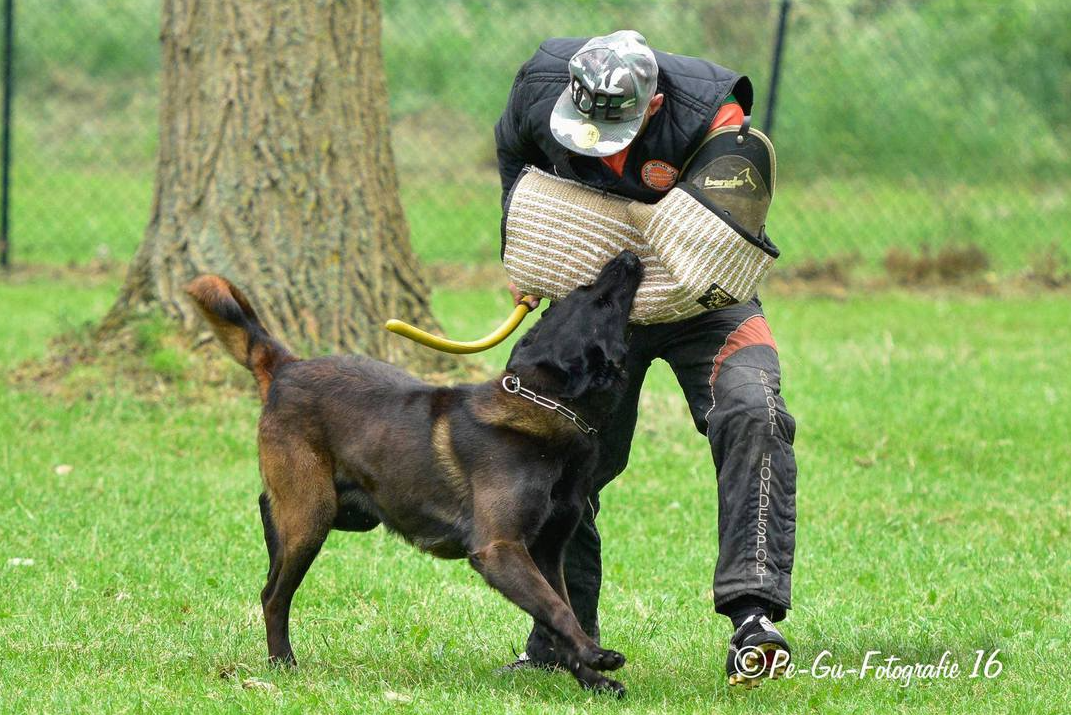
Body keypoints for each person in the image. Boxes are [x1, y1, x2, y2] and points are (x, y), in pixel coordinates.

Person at [494, 30, 797, 686]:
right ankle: (559, 635)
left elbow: (724, 240)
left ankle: (754, 620)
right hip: (600, 300)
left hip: (702, 299)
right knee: (545, 444)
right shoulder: (539, 87)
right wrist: (523, 247)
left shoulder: (711, 120)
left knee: (753, 410)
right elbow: (512, 151)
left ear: (653, 106)